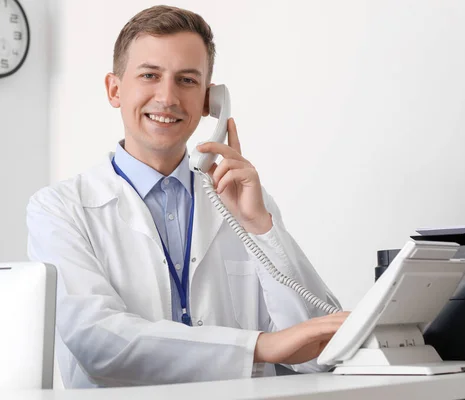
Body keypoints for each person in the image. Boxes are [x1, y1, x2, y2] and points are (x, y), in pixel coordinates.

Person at [27, 5, 348, 388]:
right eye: (150, 75)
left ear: (210, 100)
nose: (167, 97)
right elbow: (99, 343)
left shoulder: (240, 202)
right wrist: (258, 347)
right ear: (114, 89)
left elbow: (319, 351)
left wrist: (261, 228)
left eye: (187, 80)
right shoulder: (59, 209)